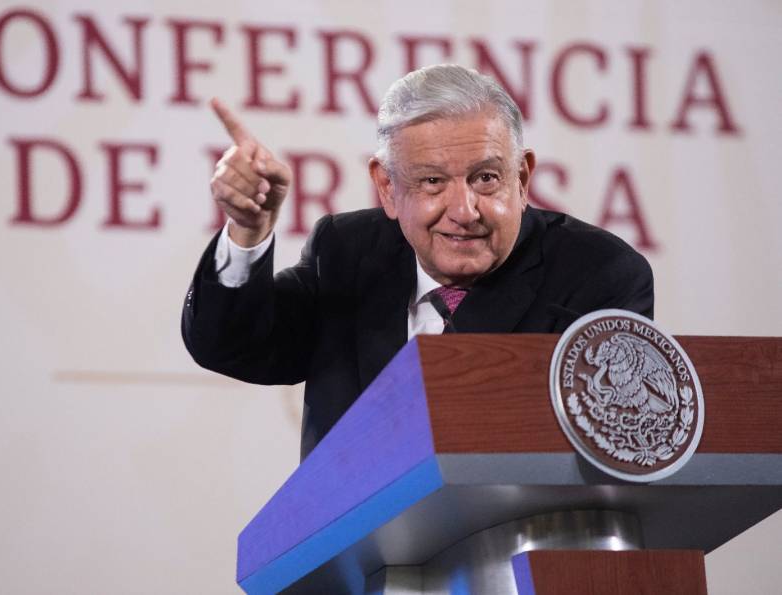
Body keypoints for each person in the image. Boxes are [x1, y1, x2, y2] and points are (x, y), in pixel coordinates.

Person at [182, 64, 653, 460]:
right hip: (356, 540)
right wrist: (248, 230)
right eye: (431, 182)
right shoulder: (347, 251)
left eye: (486, 178)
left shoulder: (598, 273)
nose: (464, 211)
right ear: (387, 188)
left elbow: (607, 444)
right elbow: (232, 345)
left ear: (523, 178)